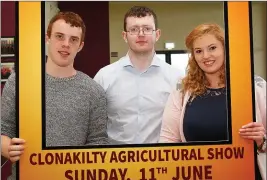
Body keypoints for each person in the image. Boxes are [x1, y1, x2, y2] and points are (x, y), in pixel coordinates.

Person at [1, 11, 109, 180]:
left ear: (80, 45)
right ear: (47, 38)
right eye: (59, 36)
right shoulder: (20, 81)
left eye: (73, 39)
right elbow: (3, 130)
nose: (66, 44)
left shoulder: (94, 91)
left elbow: (98, 143)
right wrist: (6, 147)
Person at [159, 23, 266, 180]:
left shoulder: (255, 87)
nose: (206, 56)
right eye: (199, 51)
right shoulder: (181, 92)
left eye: (212, 48)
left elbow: (263, 140)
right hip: (197, 174)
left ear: (225, 48)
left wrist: (262, 140)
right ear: (193, 56)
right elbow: (168, 141)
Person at [94, 6, 184, 144]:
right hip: (116, 162)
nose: (141, 34)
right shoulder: (104, 77)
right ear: (124, 36)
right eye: (134, 29)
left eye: (147, 29)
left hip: (162, 161)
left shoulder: (177, 78)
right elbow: (94, 126)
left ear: (157, 34)